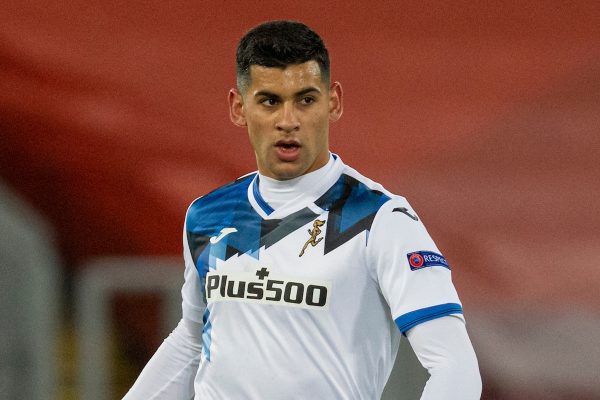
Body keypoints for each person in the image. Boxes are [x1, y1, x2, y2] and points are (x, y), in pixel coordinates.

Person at [123, 20, 481, 399]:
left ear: (334, 102)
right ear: (239, 107)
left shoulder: (380, 218)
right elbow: (192, 342)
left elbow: (454, 366)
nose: (288, 121)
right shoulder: (207, 214)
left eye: (305, 100)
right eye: (270, 101)